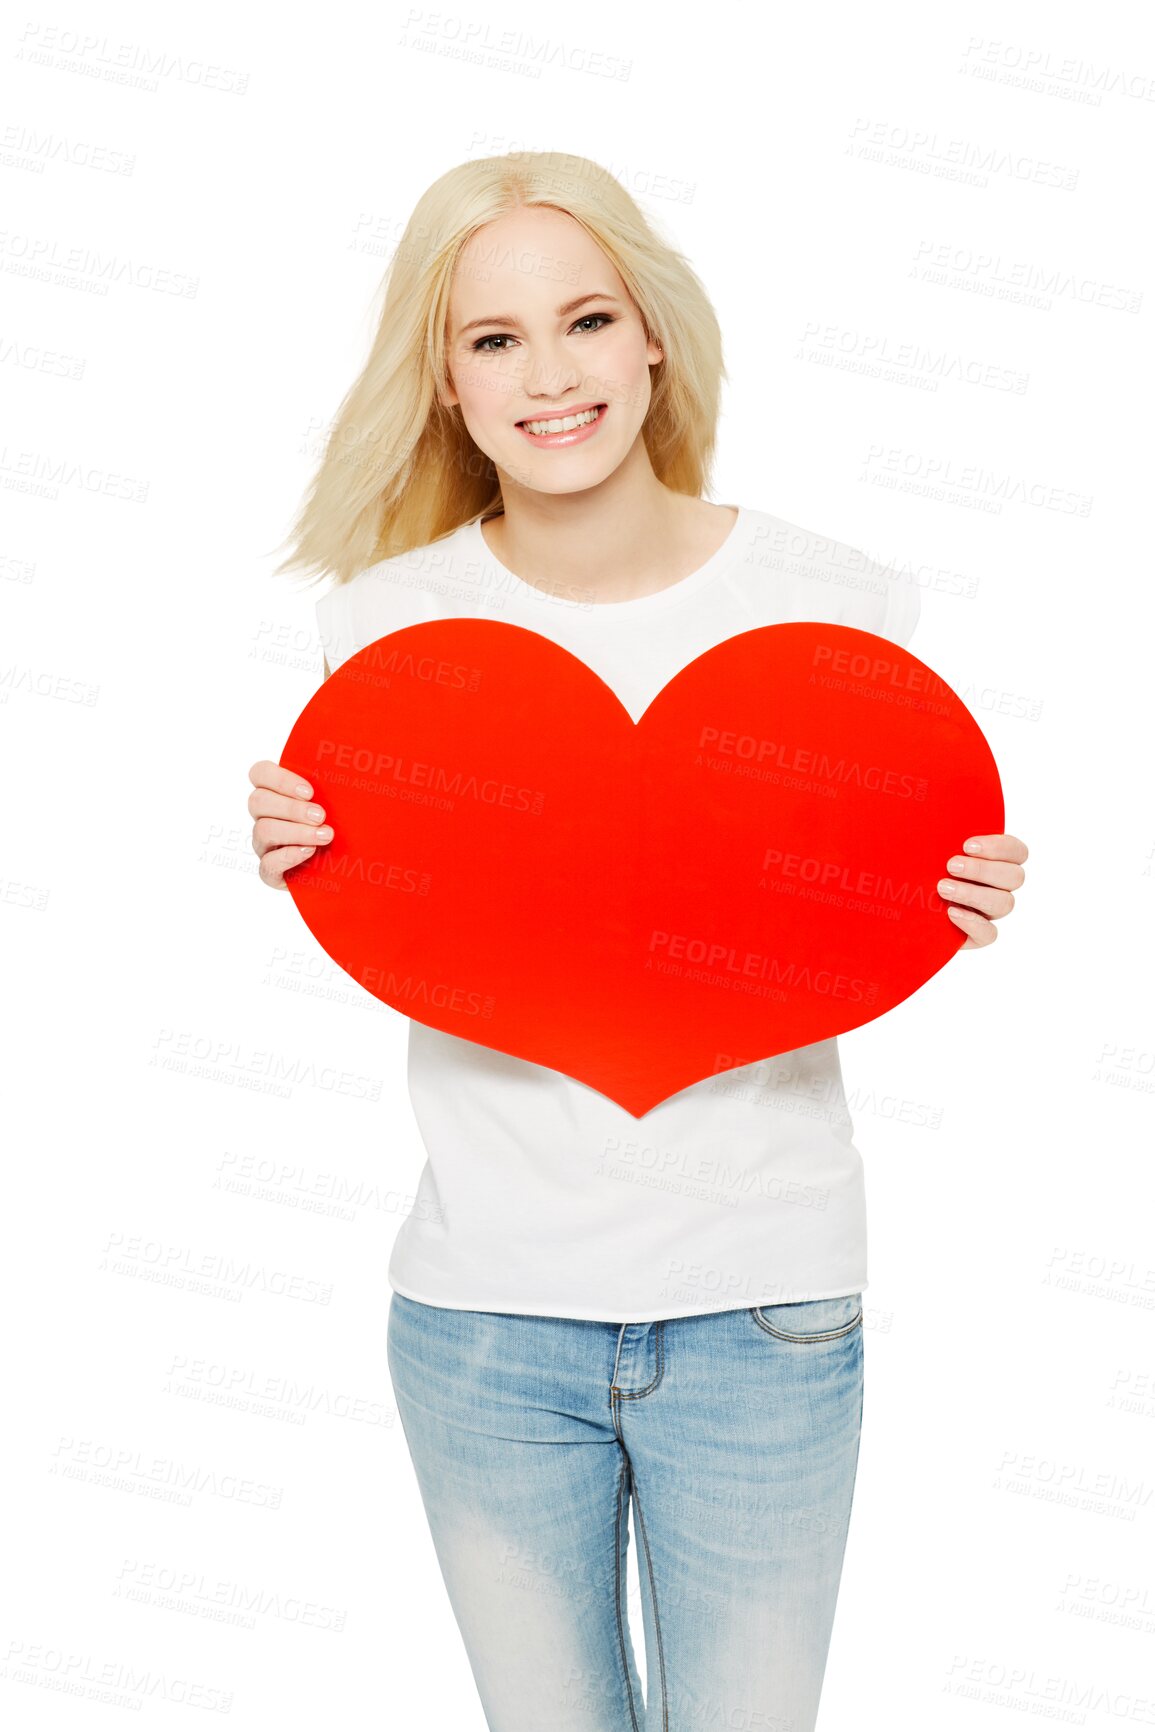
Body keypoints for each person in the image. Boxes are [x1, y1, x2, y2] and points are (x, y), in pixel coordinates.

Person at [247, 152, 1028, 1732]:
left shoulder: (837, 607)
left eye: (586, 318)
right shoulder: (382, 637)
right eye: (494, 339)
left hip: (764, 1306)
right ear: (446, 384)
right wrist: (313, 856)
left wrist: (945, 886)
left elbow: (848, 895)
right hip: (484, 1317)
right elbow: (428, 919)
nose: (552, 373)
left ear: (652, 338)